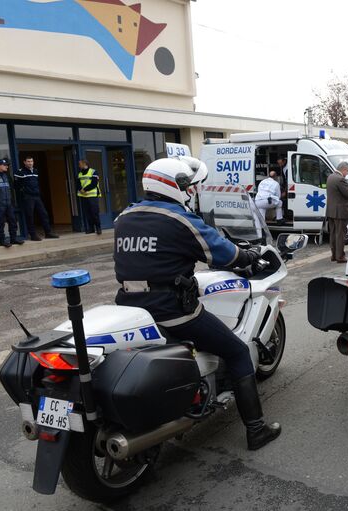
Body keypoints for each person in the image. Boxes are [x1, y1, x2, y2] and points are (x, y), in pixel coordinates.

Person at [113, 157, 281, 451]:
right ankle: (256, 430)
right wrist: (249, 256)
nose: (191, 191)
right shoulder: (179, 219)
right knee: (238, 352)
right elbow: (225, 254)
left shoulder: (124, 217)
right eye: (188, 185)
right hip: (173, 310)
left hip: (131, 307)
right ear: (175, 185)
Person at [14, 156, 58, 241]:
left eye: (31, 161)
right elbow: (16, 186)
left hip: (37, 196)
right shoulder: (20, 172)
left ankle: (48, 233)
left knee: (44, 214)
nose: (30, 163)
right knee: (30, 216)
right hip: (27, 197)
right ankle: (33, 235)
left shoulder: (35, 171)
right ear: (24, 162)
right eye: (28, 161)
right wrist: (24, 193)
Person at [0, 158, 23, 247]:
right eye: (4, 165)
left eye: (7, 165)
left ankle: (13, 239)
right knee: (0, 223)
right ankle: (2, 241)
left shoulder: (6, 176)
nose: (6, 166)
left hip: (8, 204)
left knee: (13, 221)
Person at [325, 161, 348, 263]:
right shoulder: (341, 179)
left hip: (331, 211)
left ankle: (334, 255)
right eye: (347, 171)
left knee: (333, 234)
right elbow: (347, 194)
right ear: (343, 169)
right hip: (340, 212)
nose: (347, 173)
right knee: (340, 235)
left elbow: (338, 192)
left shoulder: (330, 177)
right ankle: (340, 257)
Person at [76, 159, 102, 234]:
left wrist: (85, 189)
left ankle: (98, 228)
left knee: (94, 212)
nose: (79, 165)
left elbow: (94, 183)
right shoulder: (80, 174)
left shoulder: (93, 172)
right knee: (87, 213)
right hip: (83, 196)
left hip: (92, 195)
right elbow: (78, 183)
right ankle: (91, 228)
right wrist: (80, 189)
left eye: (80, 164)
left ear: (84, 164)